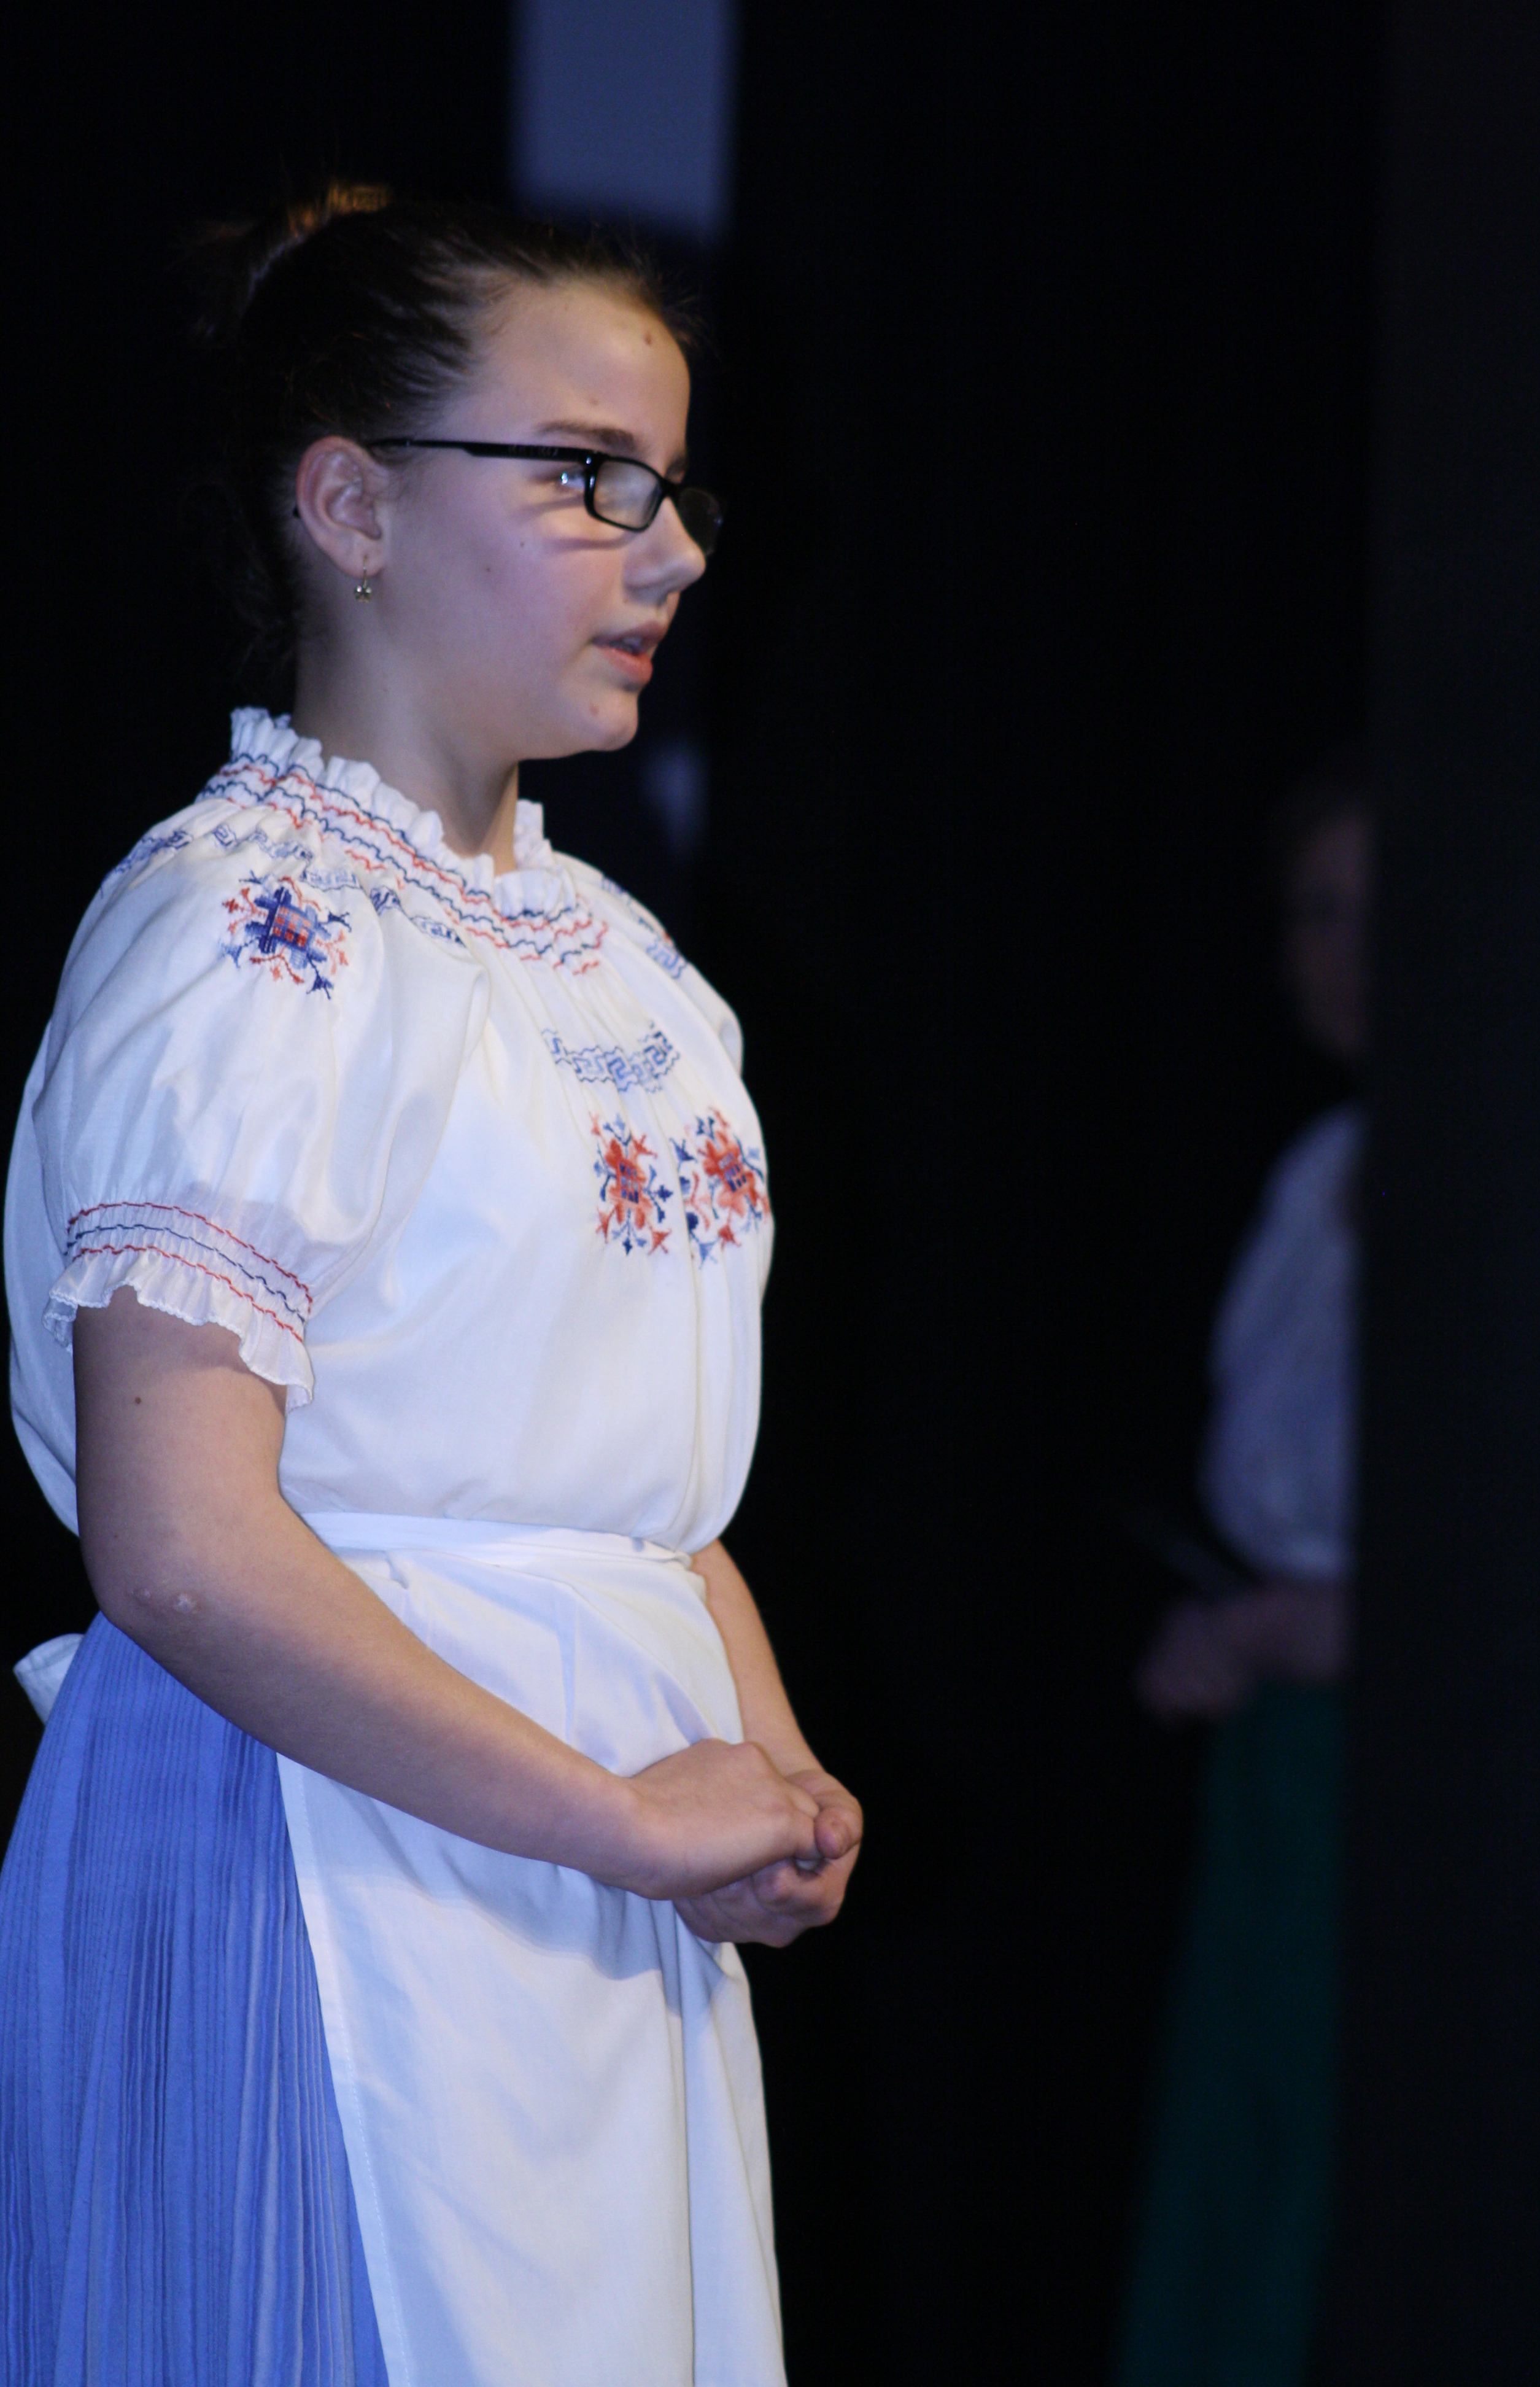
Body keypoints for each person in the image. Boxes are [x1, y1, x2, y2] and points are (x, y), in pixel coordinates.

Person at [0, 186, 861, 2387]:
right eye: (590, 481)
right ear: (353, 507)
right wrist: (620, 1809)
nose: (673, 554)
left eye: (674, 490)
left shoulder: (624, 965)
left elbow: (630, 1491)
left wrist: (758, 1764)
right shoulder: (246, 929)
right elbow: (181, 1547)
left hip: (585, 1869)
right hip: (324, 1847)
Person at [1117, 768, 1370, 2387]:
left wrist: (1351, 1625)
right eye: (1319, 913)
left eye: (1384, 910)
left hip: (1428, 1780)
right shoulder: (1319, 1169)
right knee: (1246, 2154)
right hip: (1287, 1764)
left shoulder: (1522, 1181)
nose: (1349, 953)